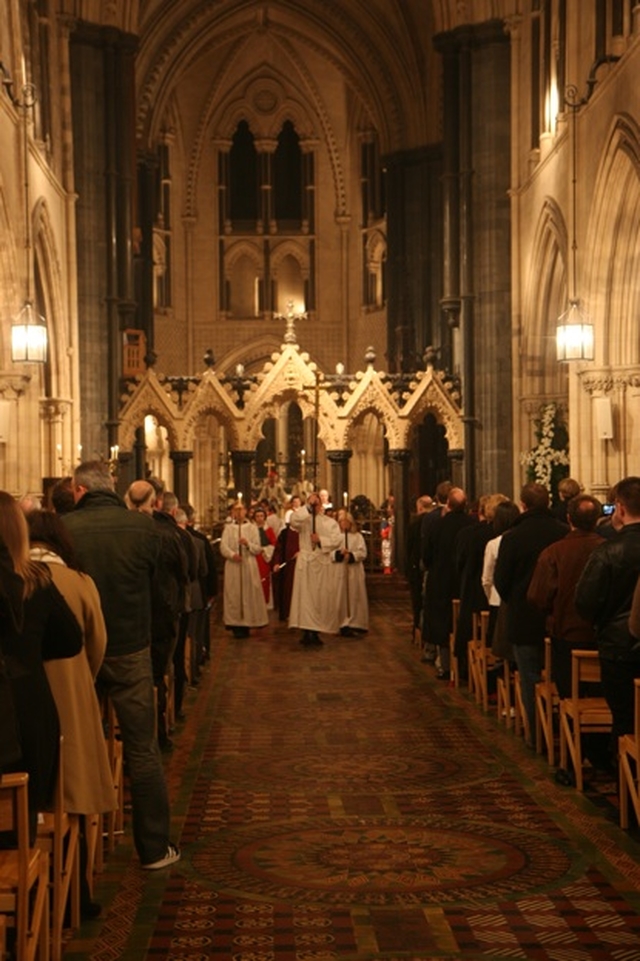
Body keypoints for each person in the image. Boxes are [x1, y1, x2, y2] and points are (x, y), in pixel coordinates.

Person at [63, 461, 180, 870]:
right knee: (142, 750)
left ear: (79, 491)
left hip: (81, 653)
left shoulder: (66, 530)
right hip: (131, 649)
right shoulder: (143, 529)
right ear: (110, 487)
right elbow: (158, 591)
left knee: (80, 747)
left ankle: (80, 855)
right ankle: (153, 848)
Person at [27, 509, 117, 915]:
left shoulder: (17, 580)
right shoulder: (78, 581)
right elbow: (98, 642)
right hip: (70, 694)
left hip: (23, 702)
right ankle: (73, 894)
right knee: (69, 795)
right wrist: (83, 678)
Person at [0, 491, 83, 841]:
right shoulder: (38, 581)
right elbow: (71, 639)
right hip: (28, 705)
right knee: (23, 813)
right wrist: (31, 652)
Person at [494, 482, 568, 742]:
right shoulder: (563, 532)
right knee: (559, 675)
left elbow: (501, 580)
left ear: (523, 505)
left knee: (529, 677)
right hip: (557, 617)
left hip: (523, 617)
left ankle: (536, 732)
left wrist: (516, 600)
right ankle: (562, 730)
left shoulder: (513, 536)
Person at [575, 476, 640, 745]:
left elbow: (585, 603)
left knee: (625, 722)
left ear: (620, 509)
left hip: (618, 648)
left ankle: (628, 782)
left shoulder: (608, 551)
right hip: (622, 642)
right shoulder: (607, 550)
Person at [126, 480, 189, 748]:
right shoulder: (168, 533)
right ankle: (157, 734)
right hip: (161, 614)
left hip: (131, 616)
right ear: (156, 502)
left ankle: (135, 738)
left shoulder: (125, 531)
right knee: (156, 675)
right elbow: (185, 572)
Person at [422, 486, 476, 679]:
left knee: (442, 625)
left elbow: (426, 555)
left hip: (441, 581)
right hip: (463, 581)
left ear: (448, 504)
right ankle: (465, 668)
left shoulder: (437, 525)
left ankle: (445, 666)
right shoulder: (472, 524)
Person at [288, 490, 343, 645]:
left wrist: (321, 540)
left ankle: (316, 630)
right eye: (313, 503)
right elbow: (293, 520)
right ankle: (306, 631)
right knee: (305, 599)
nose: (315, 505)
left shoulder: (329, 522)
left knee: (319, 599)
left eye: (317, 502)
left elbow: (337, 540)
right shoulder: (304, 521)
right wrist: (307, 507)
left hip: (321, 563)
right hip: (306, 563)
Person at [219, 500, 269, 638]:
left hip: (248, 564)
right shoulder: (228, 528)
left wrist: (247, 544)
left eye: (241, 510)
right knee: (234, 595)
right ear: (233, 512)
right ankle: (235, 624)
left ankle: (248, 622)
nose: (239, 513)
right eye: (236, 510)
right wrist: (232, 555)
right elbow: (223, 547)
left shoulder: (252, 528)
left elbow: (258, 548)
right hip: (233, 566)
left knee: (247, 594)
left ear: (246, 511)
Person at [333, 509, 369, 636]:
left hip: (354, 571)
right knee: (342, 597)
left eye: (346, 521)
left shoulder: (357, 537)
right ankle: (342, 622)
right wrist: (339, 554)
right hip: (341, 570)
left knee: (355, 596)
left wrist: (352, 556)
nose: (343, 524)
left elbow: (363, 552)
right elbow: (330, 553)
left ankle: (357, 622)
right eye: (341, 522)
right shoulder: (336, 537)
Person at [407, 495, 433, 643]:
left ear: (420, 508)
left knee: (417, 602)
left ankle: (417, 630)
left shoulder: (415, 524)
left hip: (417, 567)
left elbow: (409, 549)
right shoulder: (437, 521)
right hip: (428, 567)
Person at [272, 498, 301, 621]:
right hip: (288, 568)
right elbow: (278, 550)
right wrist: (277, 563)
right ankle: (288, 613)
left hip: (302, 567)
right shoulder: (284, 533)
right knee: (288, 590)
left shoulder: (305, 532)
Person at [252, 506, 276, 606]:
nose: (259, 518)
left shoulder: (269, 530)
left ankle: (265, 602)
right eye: (257, 516)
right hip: (253, 557)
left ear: (265, 517)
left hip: (264, 557)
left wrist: (264, 550)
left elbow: (274, 544)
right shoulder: (251, 529)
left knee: (264, 580)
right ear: (254, 518)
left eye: (261, 516)